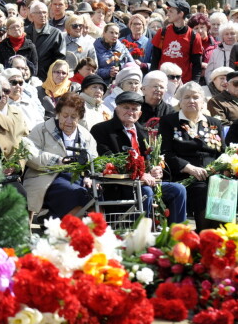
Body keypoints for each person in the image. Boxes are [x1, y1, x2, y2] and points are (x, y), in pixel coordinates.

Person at [91, 91, 187, 224]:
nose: (130, 112)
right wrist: (139, 174)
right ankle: (141, 237)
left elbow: (150, 160)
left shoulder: (144, 133)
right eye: (126, 107)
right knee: (146, 191)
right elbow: (107, 158)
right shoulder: (101, 130)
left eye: (134, 109)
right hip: (119, 185)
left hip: (144, 183)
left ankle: (176, 236)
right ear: (116, 109)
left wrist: (155, 169)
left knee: (178, 189)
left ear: (140, 114)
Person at [160, 82, 225, 230]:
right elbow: (166, 153)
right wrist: (188, 168)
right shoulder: (169, 121)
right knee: (202, 189)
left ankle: (220, 239)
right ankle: (204, 235)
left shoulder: (214, 123)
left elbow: (223, 152)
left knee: (225, 188)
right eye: (187, 97)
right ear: (180, 101)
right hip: (185, 175)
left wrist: (223, 170)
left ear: (203, 102)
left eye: (196, 97)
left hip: (214, 174)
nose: (191, 101)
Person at [23, 92, 97, 219]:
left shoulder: (85, 135)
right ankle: (60, 226)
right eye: (65, 115)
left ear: (79, 117)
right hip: (48, 177)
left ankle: (55, 221)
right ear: (58, 113)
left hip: (78, 178)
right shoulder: (41, 129)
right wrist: (58, 160)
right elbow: (30, 154)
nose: (68, 121)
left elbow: (94, 158)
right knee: (74, 193)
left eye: (73, 117)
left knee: (95, 193)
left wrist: (90, 176)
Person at [151, 0, 202, 83]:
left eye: (171, 11)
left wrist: (194, 84)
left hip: (183, 82)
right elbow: (155, 60)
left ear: (181, 14)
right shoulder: (162, 32)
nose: (167, 14)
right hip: (162, 81)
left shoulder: (194, 36)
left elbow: (197, 65)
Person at [25, 1, 66, 80]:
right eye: (39, 13)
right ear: (31, 15)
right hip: (25, 77)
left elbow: (60, 60)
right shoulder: (24, 32)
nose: (42, 15)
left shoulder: (56, 34)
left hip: (46, 78)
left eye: (45, 13)